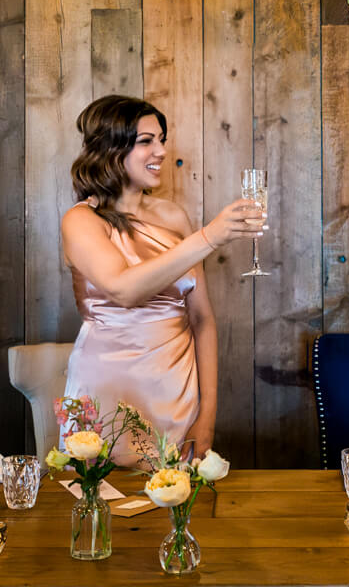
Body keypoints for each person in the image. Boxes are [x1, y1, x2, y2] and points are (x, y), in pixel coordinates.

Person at [61, 96, 263, 464]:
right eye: (146, 141)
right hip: (106, 387)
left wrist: (207, 414)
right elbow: (123, 289)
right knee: (100, 508)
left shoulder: (174, 217)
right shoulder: (81, 220)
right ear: (110, 147)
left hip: (176, 393)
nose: (162, 151)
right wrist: (209, 237)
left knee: (178, 509)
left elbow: (202, 319)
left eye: (162, 139)